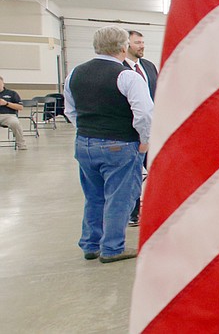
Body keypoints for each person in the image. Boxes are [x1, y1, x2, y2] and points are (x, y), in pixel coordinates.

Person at [64, 25, 153, 263]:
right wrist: (145, 141)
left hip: (84, 144)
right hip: (120, 145)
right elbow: (144, 114)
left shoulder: (75, 73)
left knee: (93, 196)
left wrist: (88, 132)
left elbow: (70, 111)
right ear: (123, 47)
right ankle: (112, 248)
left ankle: (91, 244)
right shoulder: (127, 76)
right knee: (120, 197)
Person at [124, 31, 159, 227]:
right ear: (125, 45)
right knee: (132, 175)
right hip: (129, 132)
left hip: (152, 130)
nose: (142, 46)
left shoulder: (148, 67)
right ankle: (133, 213)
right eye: (137, 43)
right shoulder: (118, 69)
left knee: (158, 170)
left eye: (143, 42)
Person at [0, 75, 28, 150]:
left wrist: (6, 103)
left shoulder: (12, 93)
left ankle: (21, 145)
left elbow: (20, 107)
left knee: (15, 123)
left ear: (3, 83)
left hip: (8, 116)